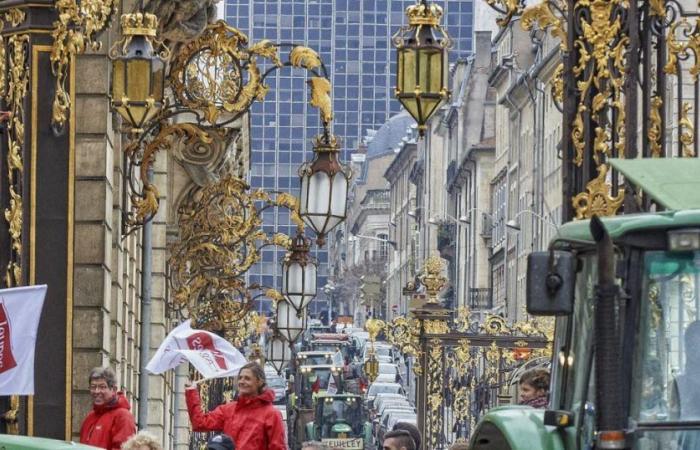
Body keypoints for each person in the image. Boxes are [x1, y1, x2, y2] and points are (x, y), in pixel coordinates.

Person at [185, 361, 286, 450]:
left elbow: (277, 447)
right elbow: (200, 423)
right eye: (240, 378)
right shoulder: (229, 409)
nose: (242, 381)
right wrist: (191, 392)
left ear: (259, 382)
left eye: (247, 378)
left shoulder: (272, 414)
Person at [79, 367, 136, 450]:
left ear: (113, 389)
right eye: (93, 387)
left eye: (102, 387)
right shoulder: (90, 417)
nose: (97, 391)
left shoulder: (123, 416)